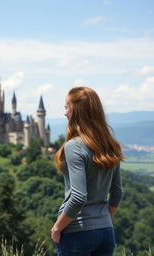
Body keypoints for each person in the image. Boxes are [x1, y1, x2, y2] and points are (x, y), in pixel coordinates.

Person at [51, 87, 123, 256]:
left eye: (66, 107)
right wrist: (103, 221)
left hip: (77, 232)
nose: (65, 113)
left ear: (76, 111)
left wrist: (57, 227)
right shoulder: (111, 146)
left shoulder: (74, 147)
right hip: (106, 232)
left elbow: (78, 197)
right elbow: (117, 193)